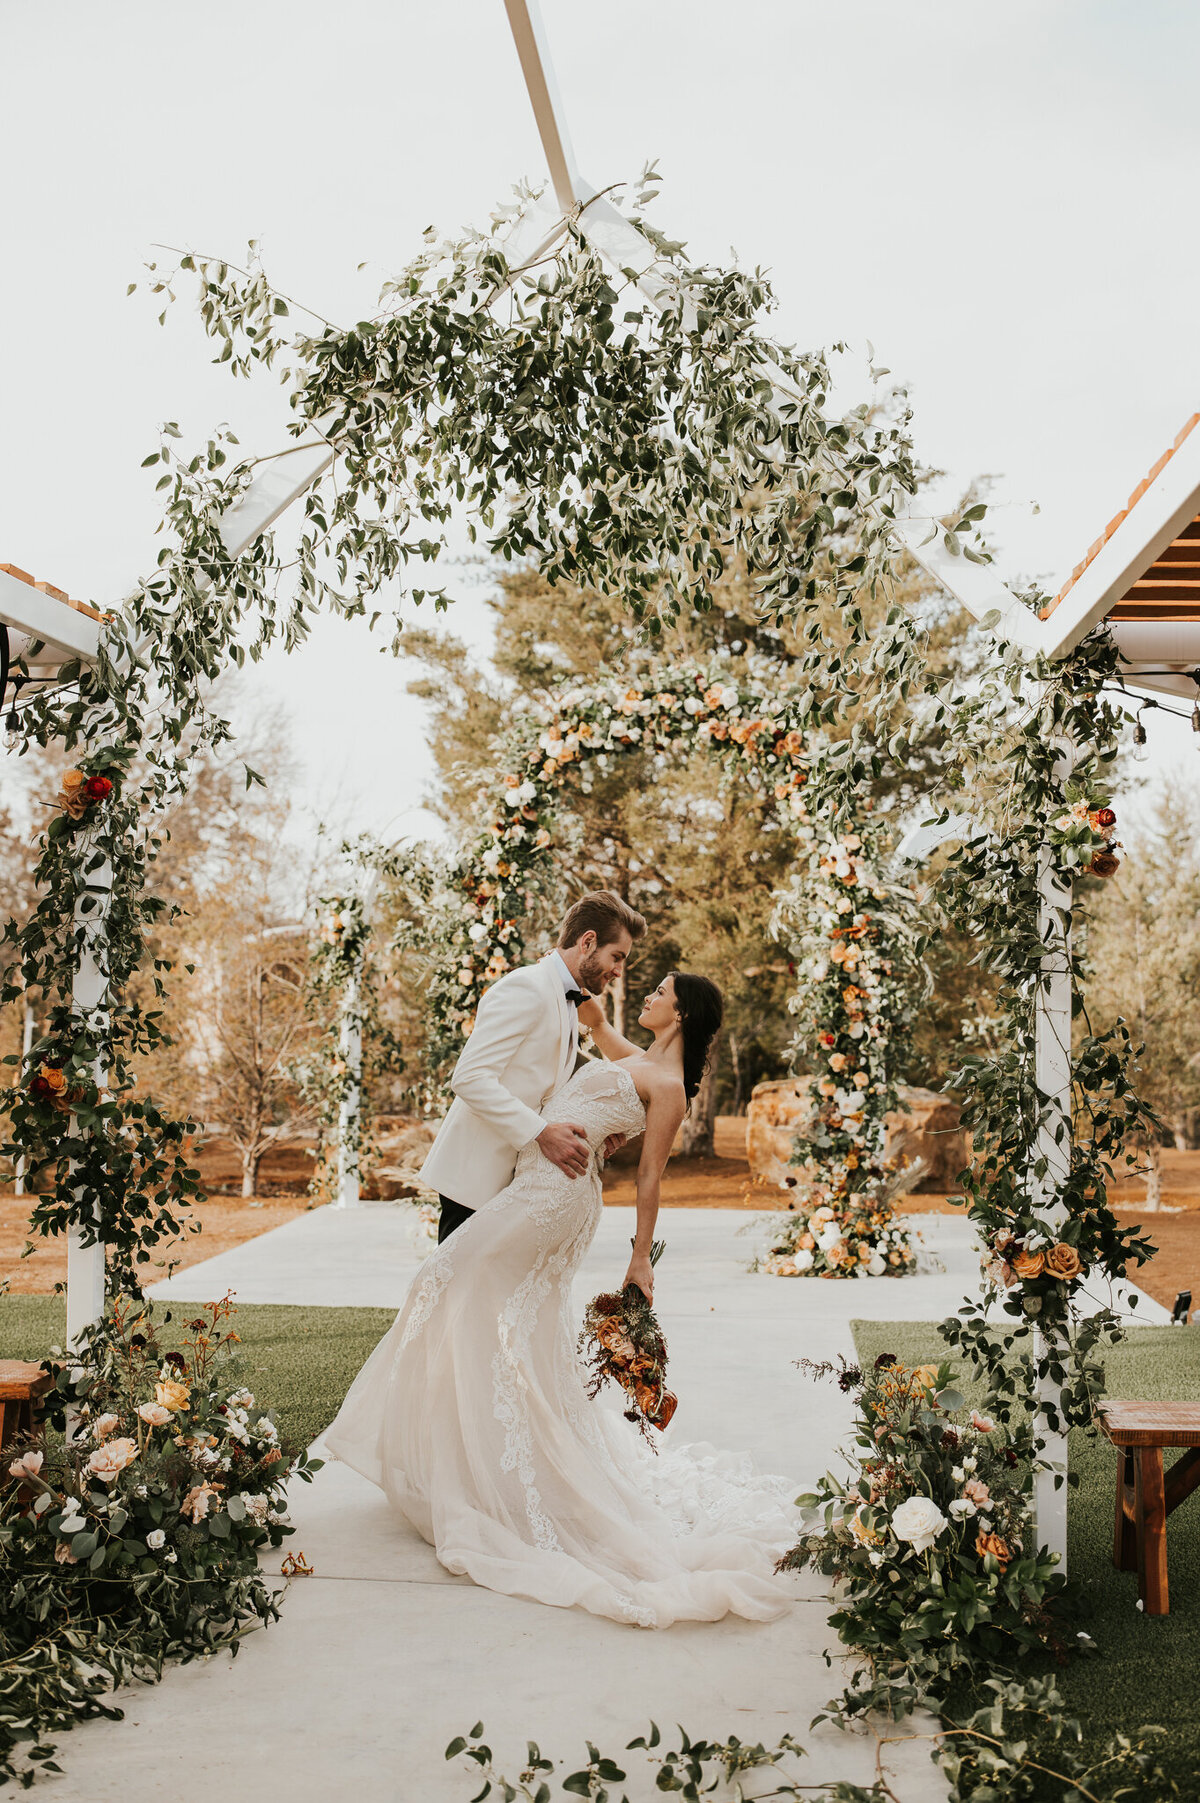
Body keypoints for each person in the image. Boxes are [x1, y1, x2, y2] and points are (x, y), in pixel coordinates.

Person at [325, 949, 797, 1629]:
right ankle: (471, 1453)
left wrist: (641, 1261)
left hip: (556, 1197)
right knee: (494, 1318)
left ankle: (474, 1466)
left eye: (659, 988)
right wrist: (578, 994)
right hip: (540, 1182)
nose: (648, 991)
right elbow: (603, 1037)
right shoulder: (636, 1054)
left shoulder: (669, 1086)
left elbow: (651, 1179)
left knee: (440, 1279)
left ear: (681, 1011)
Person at [419, 890, 646, 1244]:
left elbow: (549, 1078)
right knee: (457, 1295)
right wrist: (541, 1132)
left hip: (515, 1181)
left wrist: (599, 1126)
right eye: (617, 957)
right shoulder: (527, 987)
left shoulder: (571, 1000)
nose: (618, 971)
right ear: (588, 942)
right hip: (475, 1176)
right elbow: (470, 1078)